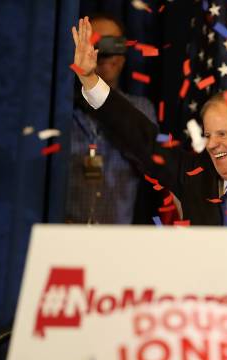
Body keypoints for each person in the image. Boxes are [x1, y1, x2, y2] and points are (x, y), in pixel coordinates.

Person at [70, 17, 227, 311]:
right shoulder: (194, 175)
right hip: (194, 341)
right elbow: (141, 137)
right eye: (207, 135)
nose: (212, 144)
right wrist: (91, 81)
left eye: (222, 134)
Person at [66, 13, 162, 225]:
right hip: (65, 231)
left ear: (124, 52)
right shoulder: (62, 110)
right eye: (97, 45)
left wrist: (101, 97)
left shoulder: (140, 108)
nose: (107, 54)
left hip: (117, 236)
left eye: (114, 44)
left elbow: (150, 160)